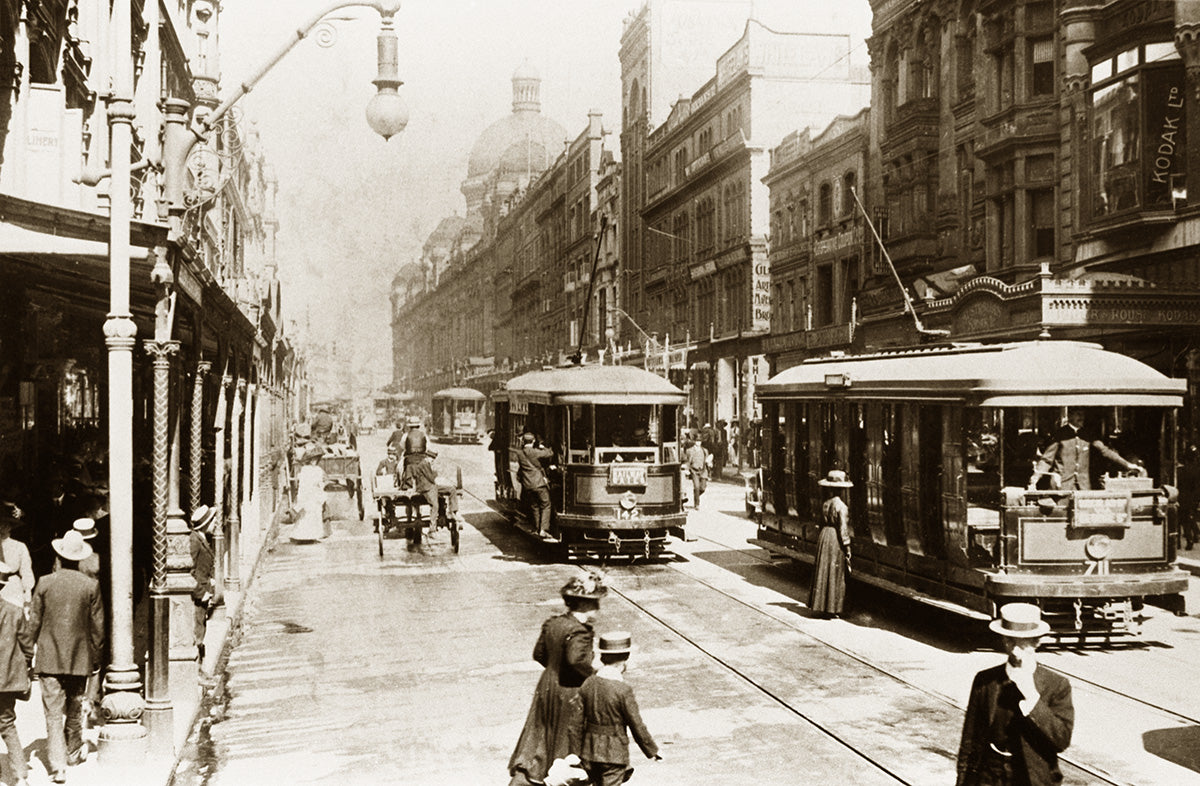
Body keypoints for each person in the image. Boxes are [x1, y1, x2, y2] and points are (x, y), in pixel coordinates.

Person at [956, 603, 1074, 786]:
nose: (1016, 650)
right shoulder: (985, 681)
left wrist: (1033, 699)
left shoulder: (1057, 685)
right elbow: (969, 741)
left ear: (1038, 641)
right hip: (989, 777)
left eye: (1024, 642)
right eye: (1010, 641)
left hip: (1032, 779)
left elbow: (1061, 740)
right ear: (1003, 639)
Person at [508, 571, 607, 786]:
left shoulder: (553, 623)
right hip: (569, 691)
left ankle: (535, 773)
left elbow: (539, 654)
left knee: (542, 730)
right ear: (583, 605)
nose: (598, 609)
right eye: (595, 603)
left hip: (546, 686)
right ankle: (559, 776)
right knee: (566, 735)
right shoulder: (581, 631)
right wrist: (594, 676)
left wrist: (554, 669)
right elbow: (575, 661)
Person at [27, 530, 104, 782]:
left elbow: (34, 624)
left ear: (58, 557)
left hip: (49, 658)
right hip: (79, 659)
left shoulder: (44, 583)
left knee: (52, 712)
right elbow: (97, 627)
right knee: (73, 706)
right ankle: (72, 751)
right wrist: (96, 659)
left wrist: (28, 656)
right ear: (80, 559)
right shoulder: (90, 585)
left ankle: (58, 765)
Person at [577, 631, 660, 786]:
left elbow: (576, 721)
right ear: (625, 659)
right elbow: (636, 724)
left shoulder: (588, 683)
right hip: (613, 753)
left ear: (602, 657)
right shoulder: (623, 690)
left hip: (589, 750)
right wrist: (653, 750)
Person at [1027, 409, 1144, 491]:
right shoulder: (1060, 434)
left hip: (1083, 488)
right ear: (1070, 416)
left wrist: (1128, 465)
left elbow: (1105, 451)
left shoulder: (1088, 434)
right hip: (1062, 487)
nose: (1081, 417)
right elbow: (1047, 460)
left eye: (1083, 414)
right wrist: (1036, 477)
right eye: (1078, 414)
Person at [0, 561, 32, 786]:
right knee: (8, 724)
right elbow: (27, 644)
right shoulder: (14, 611)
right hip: (8, 679)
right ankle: (20, 776)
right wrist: (27, 664)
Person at [810, 469, 853, 618]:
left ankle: (821, 605)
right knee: (835, 573)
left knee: (823, 571)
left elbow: (820, 523)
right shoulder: (842, 506)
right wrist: (847, 547)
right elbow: (843, 529)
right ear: (842, 489)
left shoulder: (825, 504)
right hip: (835, 539)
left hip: (824, 536)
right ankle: (833, 608)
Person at [190, 506, 216, 666]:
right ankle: (197, 671)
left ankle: (199, 669)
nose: (215, 523)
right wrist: (201, 592)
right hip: (199, 594)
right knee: (197, 632)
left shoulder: (201, 538)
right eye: (213, 520)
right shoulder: (194, 541)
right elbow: (189, 569)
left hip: (204, 590)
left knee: (201, 627)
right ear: (206, 523)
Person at [517, 432, 555, 538]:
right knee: (546, 504)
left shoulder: (520, 453)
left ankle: (537, 528)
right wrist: (542, 446)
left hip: (527, 485)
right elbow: (550, 453)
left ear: (523, 441)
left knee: (535, 506)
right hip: (538, 483)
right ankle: (543, 529)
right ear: (533, 441)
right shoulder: (534, 452)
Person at [0, 503, 34, 612]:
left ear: (10, 526)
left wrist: (27, 600)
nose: (2, 526)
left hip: (12, 590)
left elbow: (26, 572)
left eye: (5, 523)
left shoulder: (19, 546)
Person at [1178, 445, 1200, 550]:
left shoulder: (1181, 470)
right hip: (1195, 497)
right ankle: (1196, 534)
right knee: (1191, 515)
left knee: (1184, 519)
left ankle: (1190, 538)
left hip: (1183, 497)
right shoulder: (1197, 470)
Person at [684, 439, 709, 510]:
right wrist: (687, 469)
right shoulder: (689, 450)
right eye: (697, 441)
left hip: (703, 470)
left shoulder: (705, 450)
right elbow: (687, 461)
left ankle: (696, 494)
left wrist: (709, 463)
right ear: (694, 442)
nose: (699, 442)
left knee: (703, 488)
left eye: (700, 441)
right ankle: (697, 504)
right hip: (694, 471)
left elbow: (707, 460)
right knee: (697, 486)